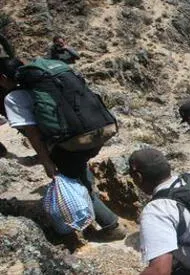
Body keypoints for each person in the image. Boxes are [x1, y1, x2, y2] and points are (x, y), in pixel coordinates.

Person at [0, 57, 125, 240]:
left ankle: (111, 227)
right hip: (97, 132)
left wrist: (46, 162)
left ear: (3, 77)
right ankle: (88, 195)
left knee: (76, 186)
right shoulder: (48, 82)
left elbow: (33, 134)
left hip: (70, 143)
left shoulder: (14, 97)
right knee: (78, 170)